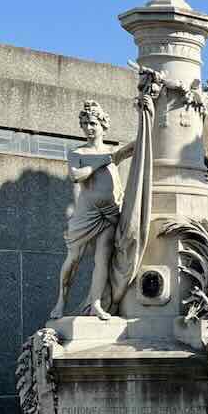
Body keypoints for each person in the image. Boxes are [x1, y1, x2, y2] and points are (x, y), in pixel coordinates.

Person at [50, 101, 134, 320]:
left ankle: (96, 303)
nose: (88, 128)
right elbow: (75, 176)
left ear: (103, 125)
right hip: (86, 212)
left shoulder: (112, 152)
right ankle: (61, 301)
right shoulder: (77, 152)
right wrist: (101, 162)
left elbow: (134, 148)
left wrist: (147, 114)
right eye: (85, 123)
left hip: (110, 211)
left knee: (102, 259)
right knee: (73, 258)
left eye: (93, 123)